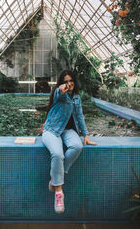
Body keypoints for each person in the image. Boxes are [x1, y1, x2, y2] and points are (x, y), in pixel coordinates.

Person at [42, 69, 97, 213]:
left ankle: (55, 177)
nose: (68, 83)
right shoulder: (59, 94)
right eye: (65, 81)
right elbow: (58, 94)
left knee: (77, 147)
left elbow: (80, 117)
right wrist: (61, 90)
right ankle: (59, 193)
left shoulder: (77, 98)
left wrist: (85, 134)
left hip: (68, 131)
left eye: (71, 81)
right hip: (52, 130)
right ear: (61, 83)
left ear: (74, 81)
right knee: (58, 155)